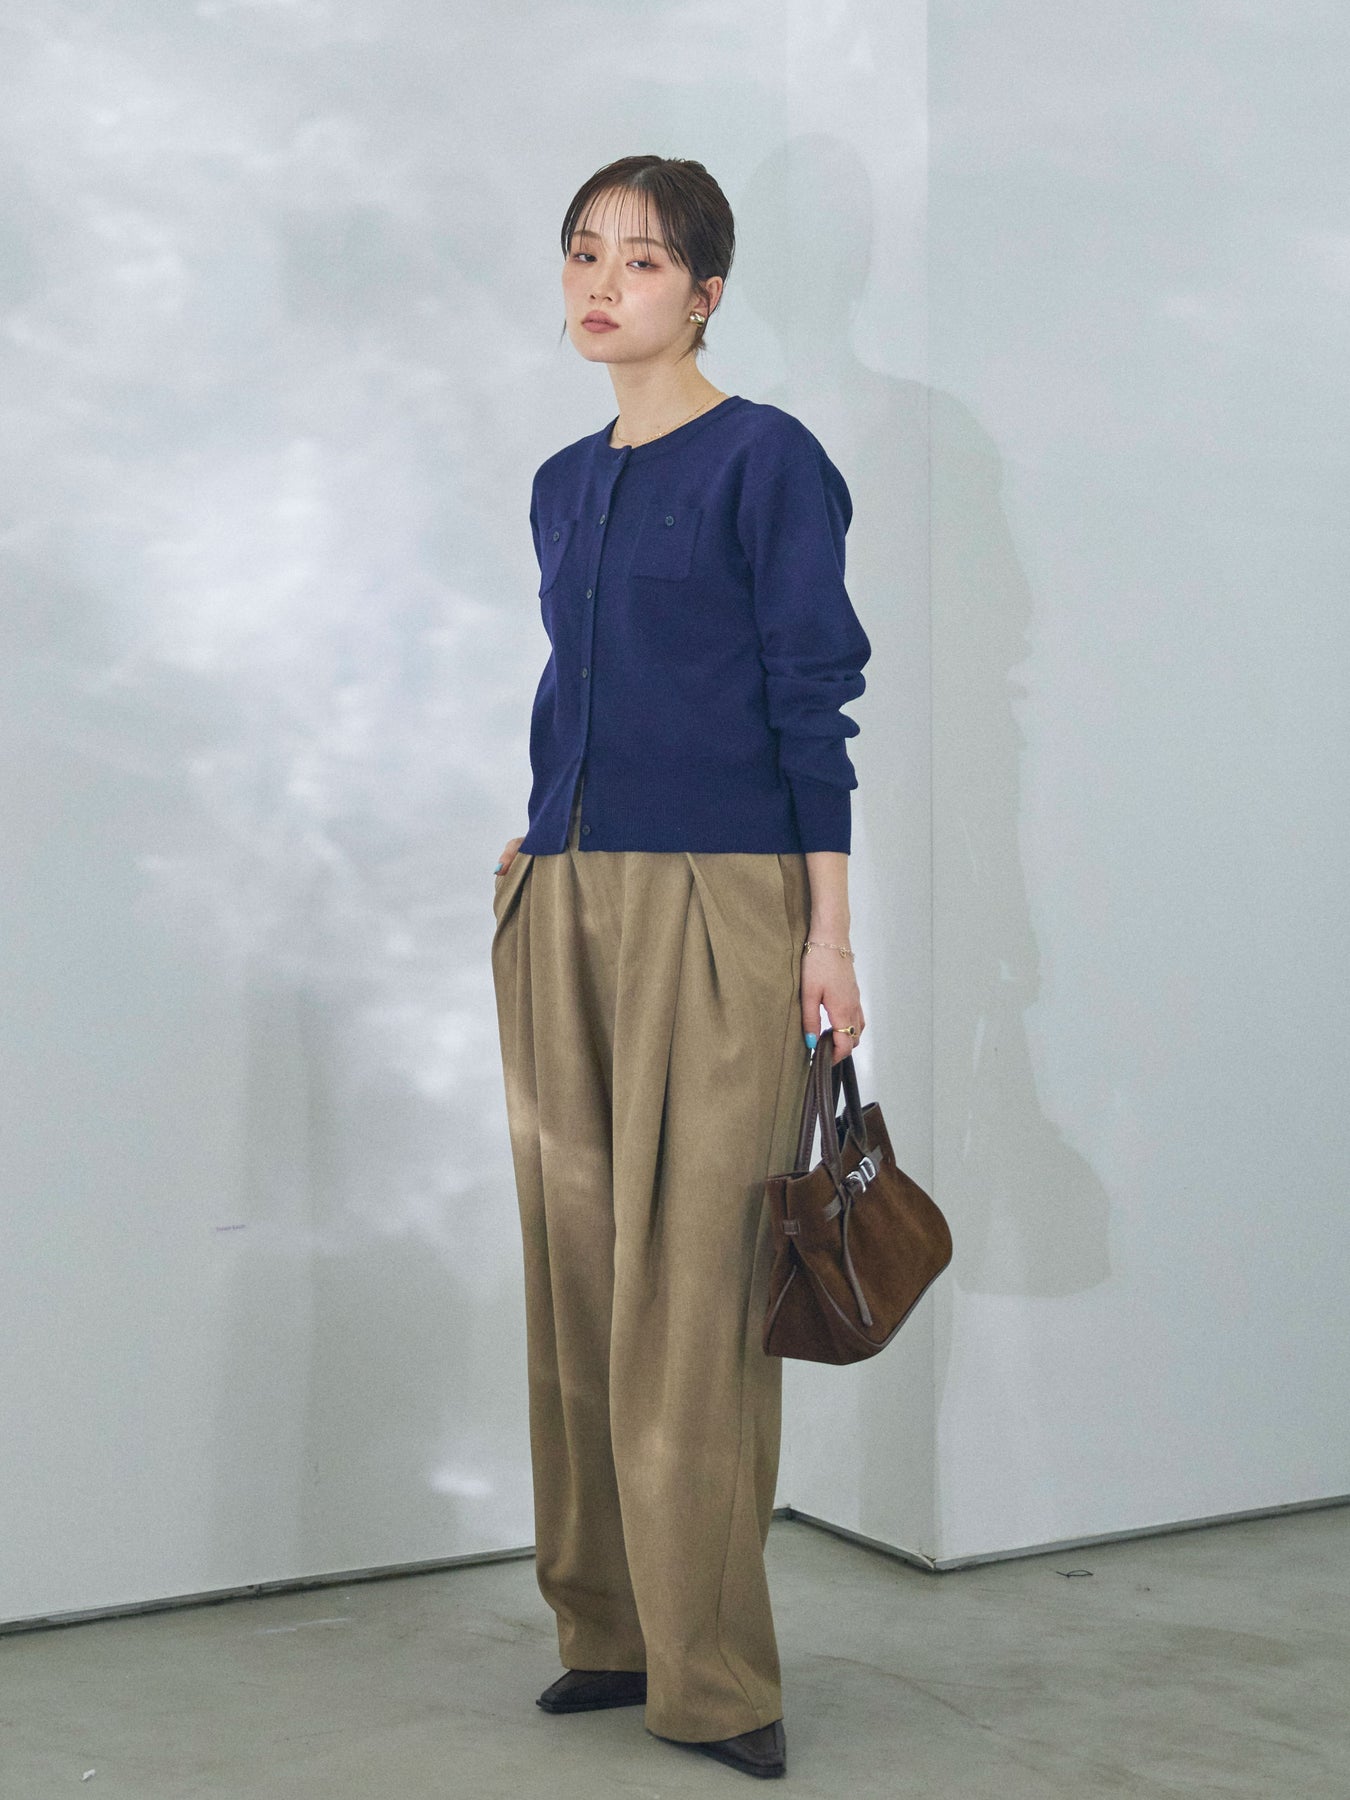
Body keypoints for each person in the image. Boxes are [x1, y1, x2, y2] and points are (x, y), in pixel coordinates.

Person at [489, 154, 870, 1782]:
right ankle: (607, 1629)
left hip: (724, 902)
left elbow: (810, 701)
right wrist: (535, 840)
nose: (602, 283)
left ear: (704, 293)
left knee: (699, 1291)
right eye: (584, 252)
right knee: (576, 1276)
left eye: (640, 260)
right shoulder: (560, 482)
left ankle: (714, 1678)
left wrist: (827, 935)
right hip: (560, 894)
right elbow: (580, 689)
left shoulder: (766, 460)